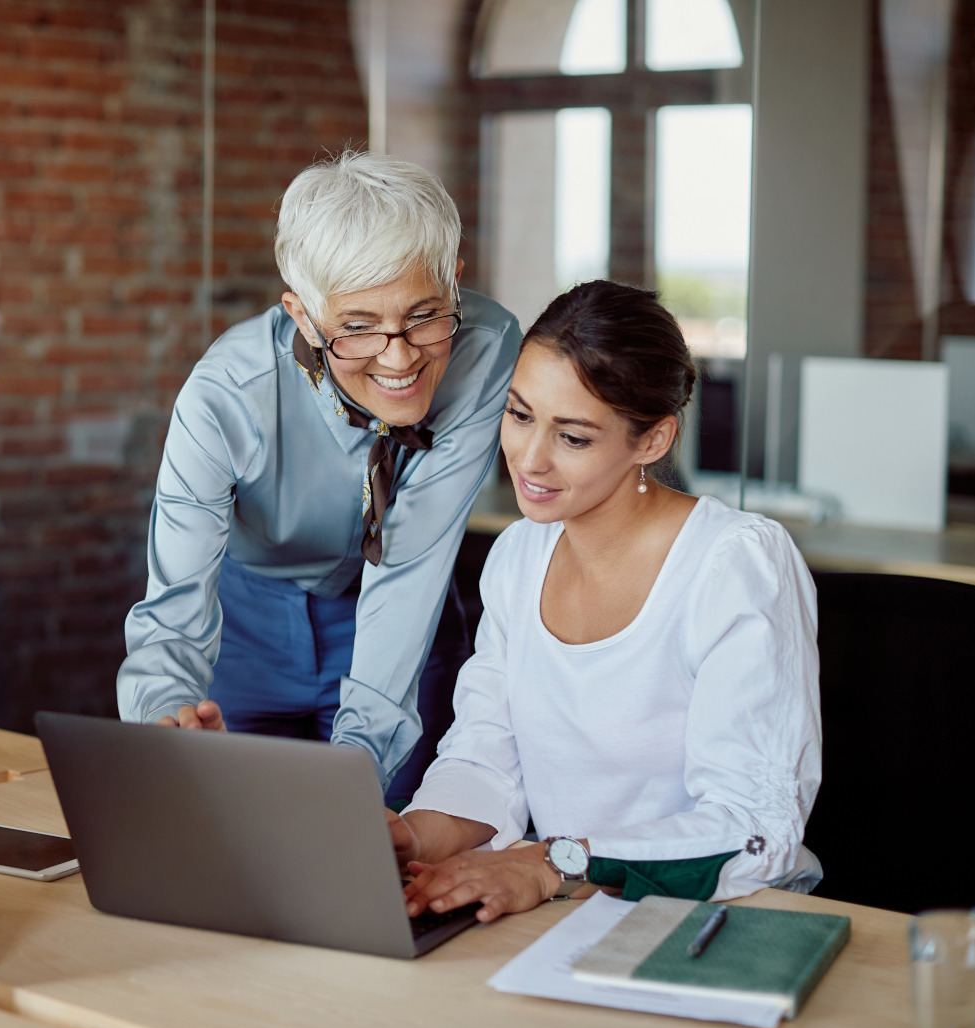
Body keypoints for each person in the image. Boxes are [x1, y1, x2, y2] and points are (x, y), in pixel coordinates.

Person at [390, 280, 823, 921]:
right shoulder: (518, 555)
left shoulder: (734, 563)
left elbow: (754, 831)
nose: (529, 459)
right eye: (519, 414)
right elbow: (485, 756)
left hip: (723, 920)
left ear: (651, 441)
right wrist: (408, 836)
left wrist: (551, 860)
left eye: (574, 437)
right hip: (573, 908)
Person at [116, 152, 521, 803]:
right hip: (244, 626)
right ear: (303, 315)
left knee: (388, 858)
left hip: (399, 621)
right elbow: (175, 605)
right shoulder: (225, 395)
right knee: (241, 851)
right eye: (357, 328)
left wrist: (358, 762)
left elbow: (413, 556)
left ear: (454, 281)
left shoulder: (486, 347)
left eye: (423, 314)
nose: (399, 356)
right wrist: (166, 713)